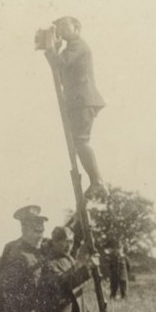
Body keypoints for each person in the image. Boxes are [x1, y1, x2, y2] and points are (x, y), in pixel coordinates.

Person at [44, 16, 108, 201]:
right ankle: (96, 181)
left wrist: (50, 49)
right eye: (59, 27)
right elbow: (61, 73)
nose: (61, 30)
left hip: (82, 100)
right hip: (75, 101)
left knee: (81, 140)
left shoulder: (78, 45)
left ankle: (97, 181)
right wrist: (54, 50)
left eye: (65, 26)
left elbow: (59, 64)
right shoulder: (70, 49)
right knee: (78, 141)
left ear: (77, 28)